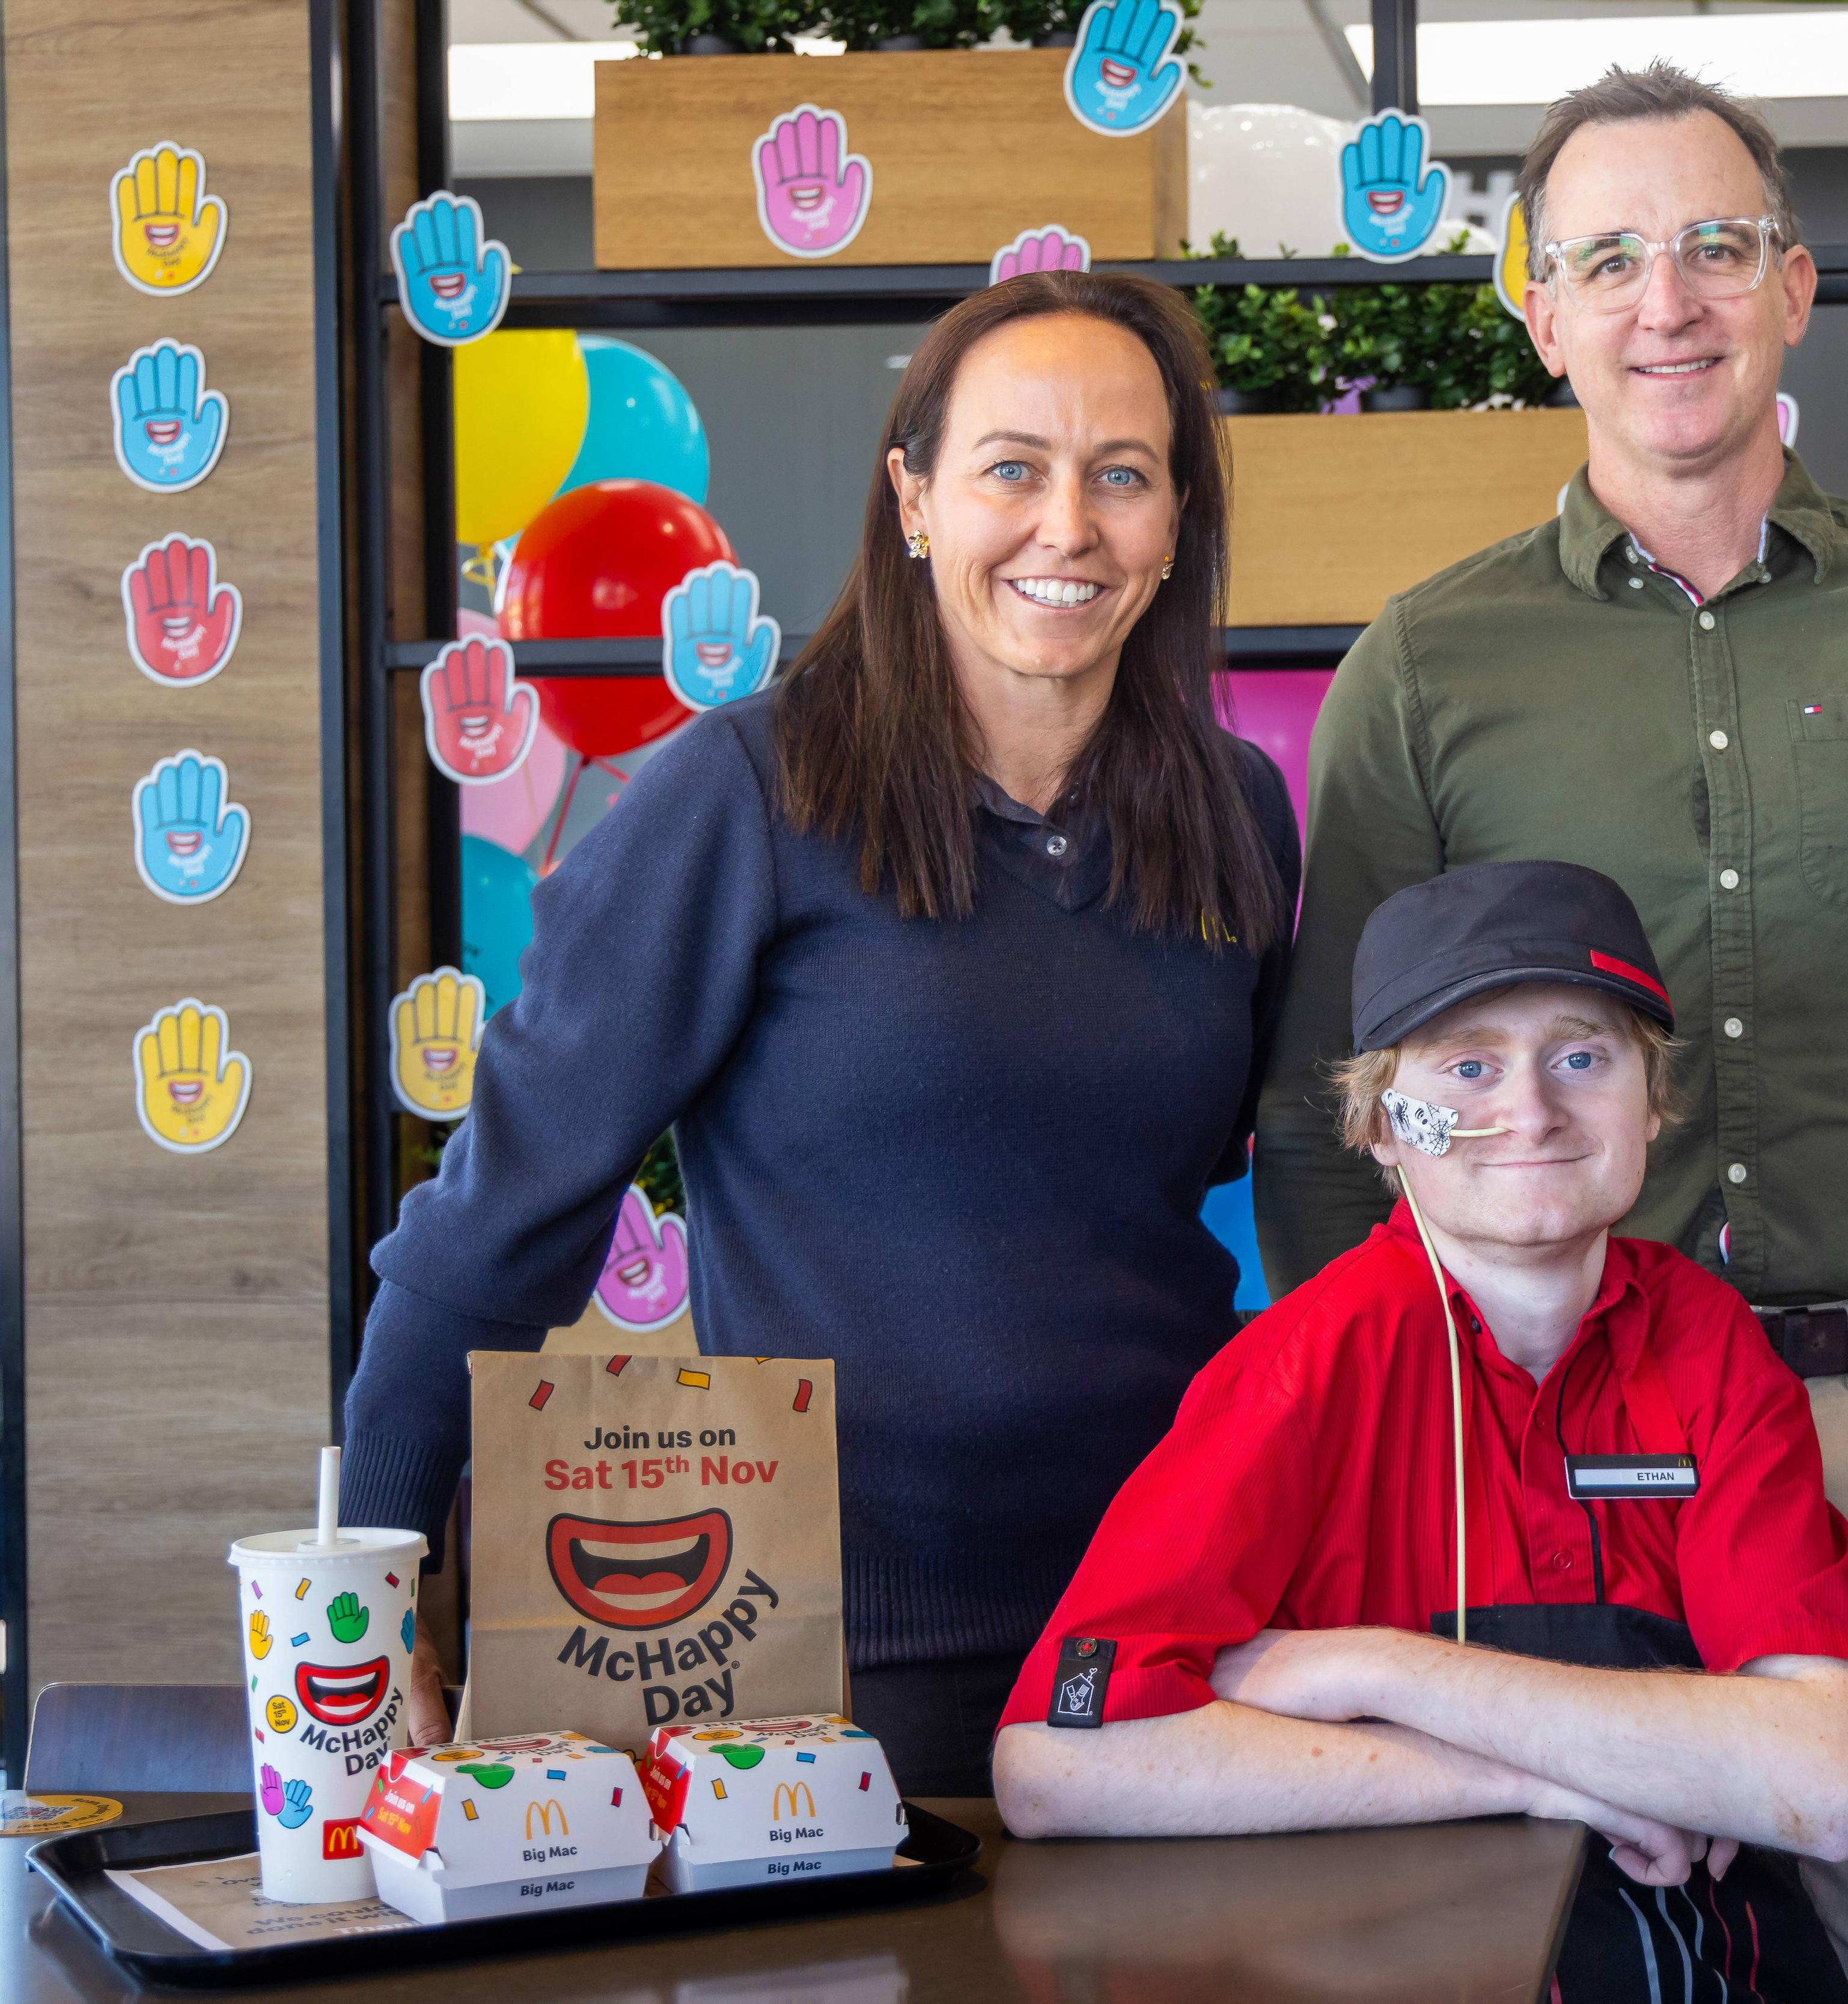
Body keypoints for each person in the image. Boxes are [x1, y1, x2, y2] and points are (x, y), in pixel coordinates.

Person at [1253, 65, 1848, 2004]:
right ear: (1542, 310)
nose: (1662, 299)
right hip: (1552, 1446)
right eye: (1608, 257)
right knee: (1561, 1955)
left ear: (1794, 286)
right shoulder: (1427, 671)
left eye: (1711, 246)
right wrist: (1425, 1436)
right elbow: (1327, 1109)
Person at [340, 270, 1302, 1793]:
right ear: (913, 500)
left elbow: (1243, 1199)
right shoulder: (748, 793)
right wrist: (375, 1584)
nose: (1069, 525)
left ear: (1175, 520)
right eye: (1011, 469)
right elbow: (501, 1215)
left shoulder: (1232, 814)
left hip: (1172, 1618)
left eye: (1123, 475)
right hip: (839, 1661)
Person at [999, 860, 1848, 2002]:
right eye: (1469, 1067)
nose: (1529, 1109)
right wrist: (1543, 1780)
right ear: (1381, 1123)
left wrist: (1369, 1666)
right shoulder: (1301, 1371)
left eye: (1584, 1056)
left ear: (1652, 1102)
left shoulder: (1708, 1342)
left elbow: (1829, 1781)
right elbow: (1056, 1766)